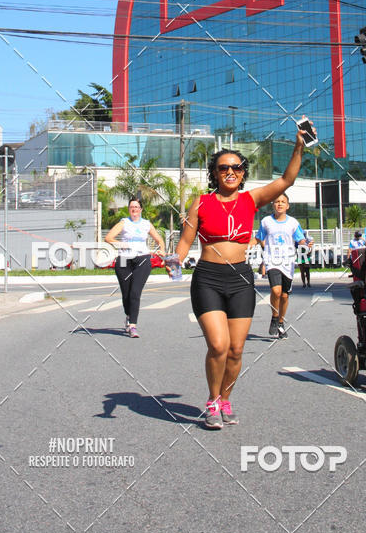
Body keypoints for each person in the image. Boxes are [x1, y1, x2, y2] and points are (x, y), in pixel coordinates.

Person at [174, 127, 309, 429]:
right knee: (218, 345)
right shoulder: (201, 202)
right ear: (215, 173)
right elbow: (185, 241)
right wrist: (175, 260)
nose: (230, 172)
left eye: (236, 167)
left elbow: (287, 180)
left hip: (240, 279)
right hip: (208, 279)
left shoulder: (251, 200)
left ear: (243, 172)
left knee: (236, 350)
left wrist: (299, 146)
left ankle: (225, 399)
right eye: (224, 167)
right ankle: (212, 401)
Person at [104, 198, 167, 338]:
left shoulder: (146, 224)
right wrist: (122, 244)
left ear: (141, 209)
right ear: (129, 209)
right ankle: (128, 315)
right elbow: (108, 238)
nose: (134, 209)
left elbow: (159, 240)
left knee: (135, 293)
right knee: (126, 294)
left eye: (137, 207)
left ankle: (133, 325)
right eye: (132, 207)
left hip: (142, 259)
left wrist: (162, 249)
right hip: (124, 260)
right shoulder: (124, 223)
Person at [255, 193, 303, 338]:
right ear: (273, 205)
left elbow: (301, 239)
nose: (280, 204)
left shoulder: (293, 223)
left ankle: (281, 323)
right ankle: (275, 317)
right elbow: (258, 238)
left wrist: (307, 243)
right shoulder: (266, 221)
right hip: (272, 261)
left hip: (288, 262)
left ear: (287, 206)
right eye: (277, 201)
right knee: (276, 291)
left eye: (283, 201)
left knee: (284, 296)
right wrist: (242, 247)